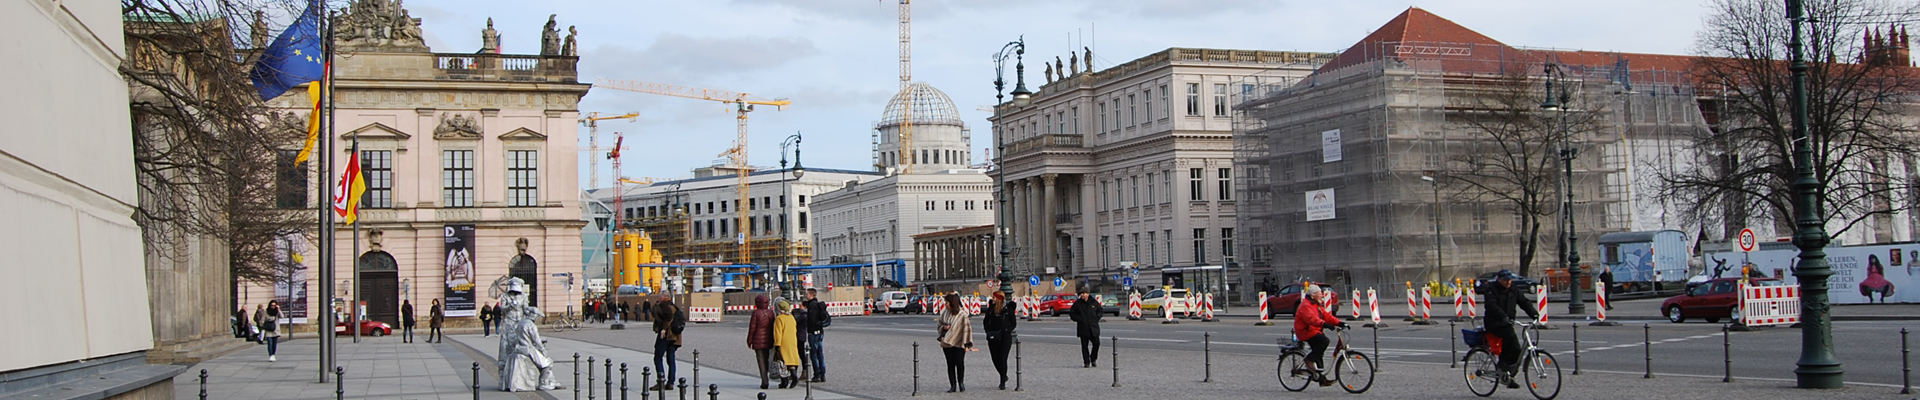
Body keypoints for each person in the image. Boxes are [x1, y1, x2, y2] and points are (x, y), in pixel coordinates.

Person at [1484, 270, 1542, 389]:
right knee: (1513, 345)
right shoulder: (1491, 289)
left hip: (1507, 323)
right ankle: (1504, 370)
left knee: (1515, 351)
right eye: (1505, 280)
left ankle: (1507, 374)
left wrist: (1534, 314)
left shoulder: (1513, 289)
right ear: (1499, 279)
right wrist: (1503, 316)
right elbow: (1491, 305)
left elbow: (1523, 302)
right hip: (1494, 323)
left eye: (1510, 280)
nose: (1508, 282)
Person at [1292, 284, 1347, 386]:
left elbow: (1327, 316)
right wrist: (1324, 324)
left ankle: (1322, 379)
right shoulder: (1305, 306)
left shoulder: (1316, 305)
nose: (1321, 295)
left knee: (1319, 353)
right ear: (1313, 296)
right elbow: (1312, 319)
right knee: (1324, 341)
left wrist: (1339, 323)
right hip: (1305, 331)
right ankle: (1308, 360)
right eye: (1319, 294)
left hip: (1313, 330)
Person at [935, 293, 973, 393]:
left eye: (947, 302)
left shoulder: (962, 315)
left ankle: (961, 382)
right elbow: (939, 325)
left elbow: (966, 329)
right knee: (950, 364)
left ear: (952, 303)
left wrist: (967, 343)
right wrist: (944, 328)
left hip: (959, 342)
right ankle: (953, 385)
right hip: (947, 342)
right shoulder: (944, 313)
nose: (945, 304)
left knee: (959, 363)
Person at [982, 290, 1018, 390]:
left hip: (1005, 338)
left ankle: (1002, 380)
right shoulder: (991, 309)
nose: (992, 299)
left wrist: (1008, 330)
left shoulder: (1007, 309)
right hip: (993, 337)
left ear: (999, 299)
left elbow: (1013, 323)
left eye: (994, 297)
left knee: (1002, 358)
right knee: (995, 358)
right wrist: (987, 331)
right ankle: (1004, 375)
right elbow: (985, 321)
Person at [650, 294, 683, 391]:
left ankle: (661, 381)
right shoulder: (674, 306)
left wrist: (663, 329)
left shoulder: (664, 305)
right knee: (671, 359)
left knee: (658, 357)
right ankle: (670, 382)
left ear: (663, 297)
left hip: (666, 335)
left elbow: (667, 317)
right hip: (675, 336)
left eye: (660, 296)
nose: (658, 298)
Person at [746, 294, 776, 389]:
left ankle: (764, 380)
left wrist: (749, 340)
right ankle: (767, 373)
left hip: (758, 338)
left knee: (760, 360)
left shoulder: (756, 313)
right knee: (767, 358)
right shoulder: (771, 312)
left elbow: (752, 328)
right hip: (769, 338)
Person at [1068, 288, 1102, 368]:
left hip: (1093, 327)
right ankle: (1086, 362)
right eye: (1081, 293)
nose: (1083, 295)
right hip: (1083, 328)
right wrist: (1079, 319)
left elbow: (1100, 311)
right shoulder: (1078, 304)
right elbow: (1072, 314)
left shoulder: (1094, 302)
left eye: (1084, 293)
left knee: (1096, 344)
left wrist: (1096, 317)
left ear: (1088, 294)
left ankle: (1093, 358)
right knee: (1084, 346)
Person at [774, 299, 802, 388]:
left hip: (783, 342)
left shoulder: (779, 318)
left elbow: (778, 332)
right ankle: (794, 376)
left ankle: (784, 382)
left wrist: (777, 344)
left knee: (782, 362)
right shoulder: (791, 317)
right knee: (791, 361)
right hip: (792, 340)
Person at [803, 288, 829, 382]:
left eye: (807, 294)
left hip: (814, 333)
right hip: (820, 332)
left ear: (811, 295)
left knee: (814, 355)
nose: (806, 295)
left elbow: (812, 321)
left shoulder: (812, 306)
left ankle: (817, 374)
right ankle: (823, 374)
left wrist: (809, 330)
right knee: (820, 354)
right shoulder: (817, 304)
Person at [789, 295, 812, 382]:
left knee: (801, 354)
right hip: (802, 336)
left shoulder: (803, 315)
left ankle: (802, 371)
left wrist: (792, 315)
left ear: (805, 306)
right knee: (800, 354)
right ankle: (800, 371)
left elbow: (795, 321)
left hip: (799, 336)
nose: (800, 307)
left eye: (801, 305)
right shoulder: (805, 314)